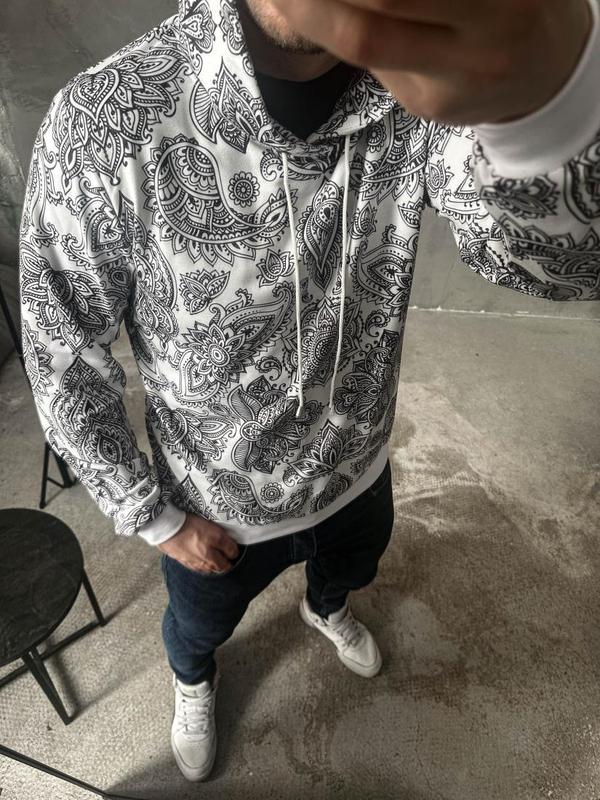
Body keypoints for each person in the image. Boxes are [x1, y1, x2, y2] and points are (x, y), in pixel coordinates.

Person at [19, 0, 599, 783]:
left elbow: (551, 265)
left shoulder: (424, 90)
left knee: (349, 574)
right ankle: (194, 679)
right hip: (213, 501)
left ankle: (326, 608)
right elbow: (61, 353)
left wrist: (551, 114)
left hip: (357, 466)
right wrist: (153, 518)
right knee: (198, 630)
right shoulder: (104, 119)